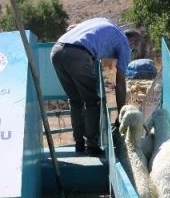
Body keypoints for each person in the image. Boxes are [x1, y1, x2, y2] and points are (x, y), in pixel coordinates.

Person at [50, 18, 140, 156]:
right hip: (79, 54)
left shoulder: (104, 23)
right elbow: (120, 84)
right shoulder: (124, 43)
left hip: (57, 50)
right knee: (92, 102)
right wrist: (121, 115)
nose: (131, 52)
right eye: (134, 50)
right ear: (132, 41)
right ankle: (92, 146)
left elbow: (73, 27)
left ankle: (79, 144)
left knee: (75, 100)